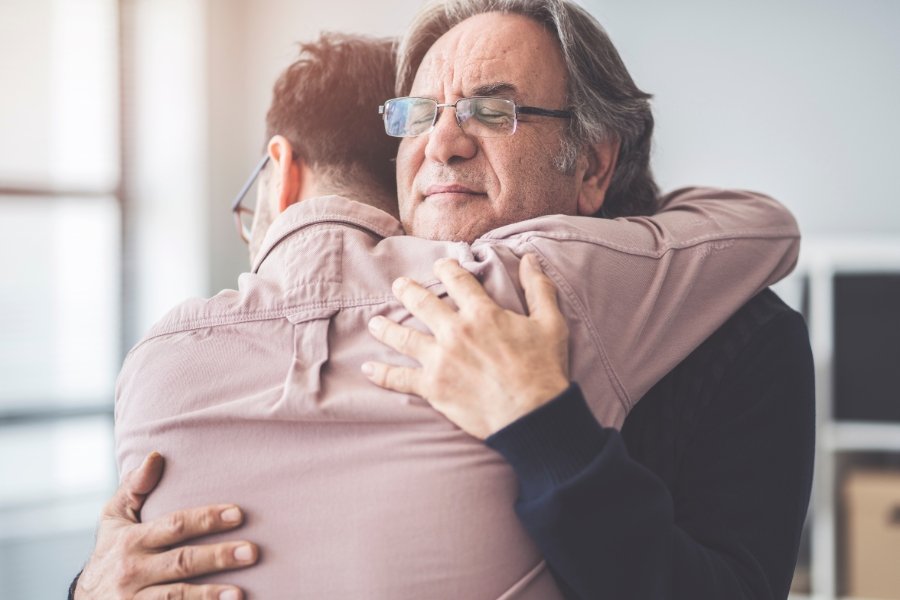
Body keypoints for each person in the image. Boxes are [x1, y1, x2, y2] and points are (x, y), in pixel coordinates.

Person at [72, 4, 812, 599]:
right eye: (421, 115)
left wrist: (546, 430)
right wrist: (90, 586)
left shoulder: (740, 335)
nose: (443, 143)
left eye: (492, 110)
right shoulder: (319, 328)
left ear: (591, 165)